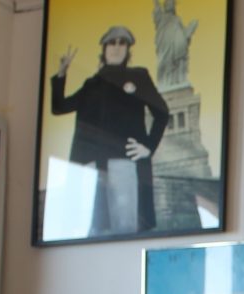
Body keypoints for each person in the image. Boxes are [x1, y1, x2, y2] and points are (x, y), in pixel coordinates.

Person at [51, 26, 169, 235]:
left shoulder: (138, 77)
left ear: (127, 49)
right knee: (94, 230)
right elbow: (59, 107)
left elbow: (161, 112)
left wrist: (149, 146)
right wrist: (61, 73)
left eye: (122, 42)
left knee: (125, 229)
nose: (116, 47)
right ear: (104, 49)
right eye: (112, 43)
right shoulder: (92, 84)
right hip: (91, 166)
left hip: (123, 162)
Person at [153, 0, 199, 89]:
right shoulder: (162, 17)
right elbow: (157, 10)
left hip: (177, 46)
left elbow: (184, 34)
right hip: (165, 45)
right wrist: (156, 2)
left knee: (178, 61)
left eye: (172, 4)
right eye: (168, 3)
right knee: (165, 63)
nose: (170, 5)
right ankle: (165, 81)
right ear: (165, 6)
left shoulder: (177, 19)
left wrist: (191, 27)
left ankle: (178, 80)